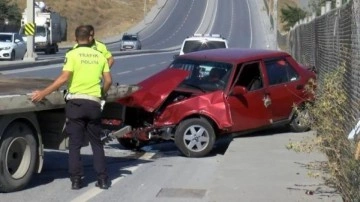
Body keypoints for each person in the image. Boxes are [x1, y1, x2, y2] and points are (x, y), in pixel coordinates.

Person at [31, 25, 112, 190]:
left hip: (76, 104)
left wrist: (43, 93)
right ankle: (103, 179)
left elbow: (63, 78)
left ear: (75, 39)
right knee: (97, 143)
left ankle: (76, 180)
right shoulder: (99, 55)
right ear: (90, 38)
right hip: (93, 103)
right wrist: (101, 94)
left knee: (75, 144)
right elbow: (109, 81)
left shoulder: (72, 54)